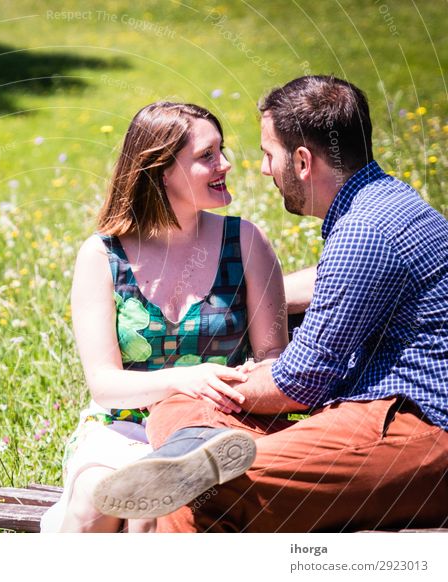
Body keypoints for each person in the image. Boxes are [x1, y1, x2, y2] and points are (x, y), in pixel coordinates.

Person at [93, 76, 448, 532]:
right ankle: (194, 447)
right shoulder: (389, 205)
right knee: (181, 418)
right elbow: (330, 288)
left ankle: (191, 457)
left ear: (302, 161)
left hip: (414, 428)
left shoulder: (363, 232)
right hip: (386, 417)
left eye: (268, 154)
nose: (262, 169)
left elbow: (298, 383)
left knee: (200, 493)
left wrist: (213, 381)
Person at [40, 101, 288, 532]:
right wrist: (182, 379)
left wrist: (212, 390)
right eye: (206, 156)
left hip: (215, 429)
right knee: (92, 504)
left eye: (221, 150)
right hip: (126, 426)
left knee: (153, 517)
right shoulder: (103, 256)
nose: (225, 164)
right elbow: (105, 385)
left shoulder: (244, 242)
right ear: (160, 172)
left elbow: (274, 361)